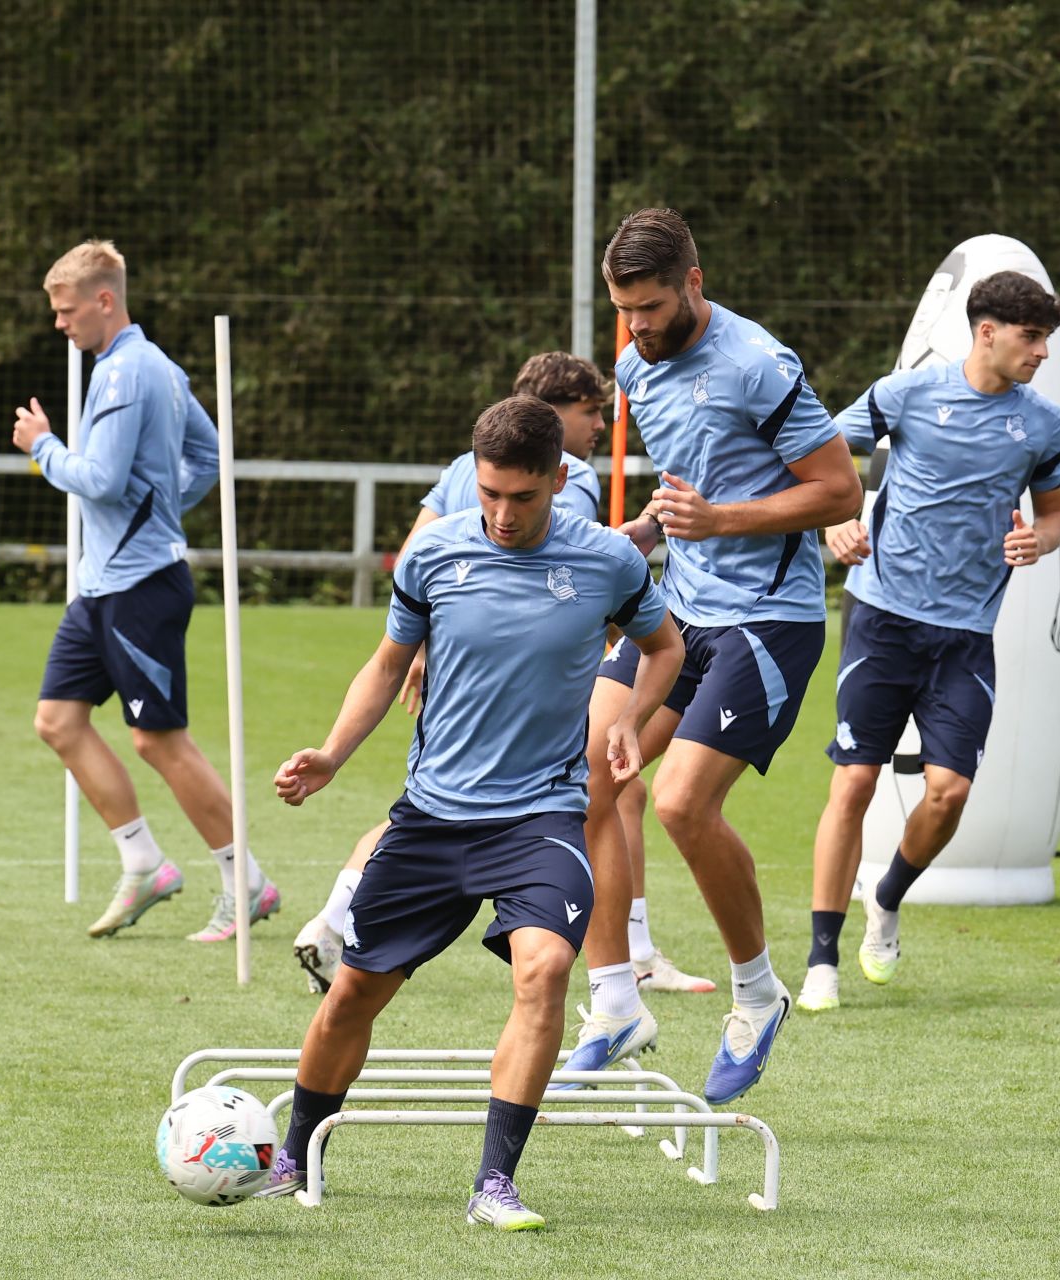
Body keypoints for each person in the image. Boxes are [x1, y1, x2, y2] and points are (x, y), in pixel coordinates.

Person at [258, 395, 683, 1229]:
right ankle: (296, 1156)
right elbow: (387, 667)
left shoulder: (608, 562)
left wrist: (629, 714)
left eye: (521, 497)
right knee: (352, 995)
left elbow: (666, 646)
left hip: (541, 819)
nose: (500, 514)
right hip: (431, 819)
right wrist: (331, 756)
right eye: (488, 492)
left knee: (546, 970)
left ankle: (495, 1183)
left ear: (559, 480)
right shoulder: (434, 555)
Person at [288, 354, 714, 996]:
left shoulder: (467, 465)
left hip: (472, 679)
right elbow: (450, 572)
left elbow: (424, 551)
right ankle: (631, 961)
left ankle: (334, 916)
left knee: (507, 793)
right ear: (555, 415)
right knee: (580, 792)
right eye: (590, 409)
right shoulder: (570, 481)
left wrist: (438, 633)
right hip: (507, 691)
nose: (599, 422)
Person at [566, 209, 863, 1105]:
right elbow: (690, 486)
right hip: (678, 615)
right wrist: (647, 533)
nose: (637, 328)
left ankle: (757, 994)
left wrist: (721, 522)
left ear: (694, 282)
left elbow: (839, 488)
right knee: (585, 776)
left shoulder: (758, 365)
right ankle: (617, 1003)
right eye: (624, 310)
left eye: (651, 306)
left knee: (683, 803)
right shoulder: (632, 366)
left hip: (767, 624)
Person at [798, 270, 1060, 1013]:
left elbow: (1054, 516)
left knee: (947, 794)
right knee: (852, 782)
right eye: (1031, 336)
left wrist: (1039, 543)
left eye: (1045, 338)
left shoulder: (1042, 424)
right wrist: (834, 521)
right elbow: (820, 458)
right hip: (881, 619)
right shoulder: (906, 393)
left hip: (966, 635)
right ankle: (822, 959)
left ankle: (885, 900)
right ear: (987, 331)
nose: (1042, 352)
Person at [11, 240, 282, 944]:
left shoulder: (130, 373)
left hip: (140, 587)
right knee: (58, 721)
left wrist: (42, 446)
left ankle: (244, 880)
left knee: (160, 741)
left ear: (106, 300)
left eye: (67, 311)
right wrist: (160, 509)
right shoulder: (148, 366)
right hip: (102, 584)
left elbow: (98, 479)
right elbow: (206, 456)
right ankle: (144, 864)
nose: (59, 324)